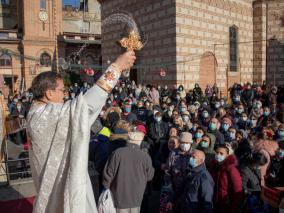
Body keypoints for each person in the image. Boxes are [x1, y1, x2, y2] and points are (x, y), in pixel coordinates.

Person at [27, 51, 136, 213]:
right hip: (61, 189)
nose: (65, 95)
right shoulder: (46, 115)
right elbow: (85, 106)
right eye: (62, 91)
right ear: (49, 93)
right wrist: (117, 67)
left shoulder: (35, 111)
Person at [103, 126, 154, 213]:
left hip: (118, 194)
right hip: (137, 195)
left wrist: (106, 187)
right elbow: (149, 176)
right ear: (140, 141)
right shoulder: (145, 156)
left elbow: (108, 174)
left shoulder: (117, 153)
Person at [209, 144, 243, 213]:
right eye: (217, 153)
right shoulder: (212, 166)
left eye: (221, 153)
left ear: (227, 155)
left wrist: (233, 208)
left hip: (225, 204)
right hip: (213, 202)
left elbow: (237, 190)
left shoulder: (231, 169)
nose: (218, 155)